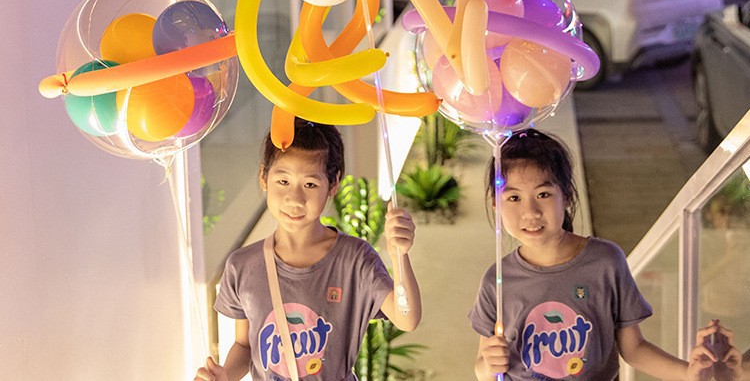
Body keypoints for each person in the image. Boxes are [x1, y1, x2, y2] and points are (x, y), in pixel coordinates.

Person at [469, 129, 743, 380]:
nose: (530, 212)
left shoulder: (605, 261)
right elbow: (482, 369)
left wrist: (689, 372)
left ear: (567, 196)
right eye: (514, 198)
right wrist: (489, 365)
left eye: (543, 194)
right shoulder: (496, 281)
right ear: (496, 205)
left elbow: (634, 349)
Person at [195, 117, 422, 381]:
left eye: (310, 184)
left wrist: (399, 254)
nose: (295, 198)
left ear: (333, 184)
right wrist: (224, 376)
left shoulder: (355, 260)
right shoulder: (242, 266)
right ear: (264, 177)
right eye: (283, 181)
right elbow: (245, 346)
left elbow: (407, 319)